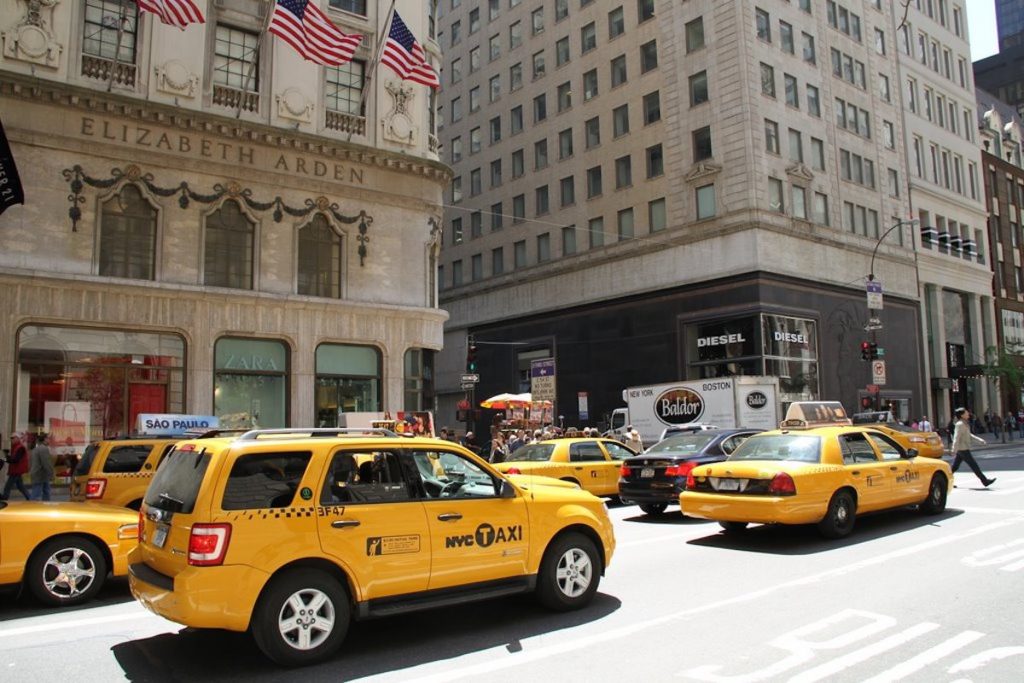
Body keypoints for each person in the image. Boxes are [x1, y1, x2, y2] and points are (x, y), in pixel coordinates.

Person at [950, 407, 996, 487]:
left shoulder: (964, 423)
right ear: (962, 415)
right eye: (966, 412)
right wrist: (954, 449)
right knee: (974, 465)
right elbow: (956, 437)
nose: (968, 413)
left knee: (954, 467)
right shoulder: (960, 424)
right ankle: (985, 481)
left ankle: (946, 481)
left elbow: (969, 435)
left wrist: (980, 440)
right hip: (963, 449)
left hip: (963, 448)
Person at [1, 433, 31, 500]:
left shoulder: (20, 448)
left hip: (16, 470)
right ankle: (30, 498)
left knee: (7, 486)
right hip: (16, 470)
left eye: (13, 438)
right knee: (20, 486)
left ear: (17, 438)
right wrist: (7, 456)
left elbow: (15, 460)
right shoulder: (16, 447)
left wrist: (5, 459)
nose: (11, 439)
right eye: (11, 438)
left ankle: (4, 498)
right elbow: (13, 459)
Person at [29, 433, 54, 501]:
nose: (49, 440)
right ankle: (31, 507)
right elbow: (46, 463)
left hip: (39, 473)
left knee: (46, 491)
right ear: (45, 439)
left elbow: (31, 462)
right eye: (48, 438)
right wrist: (51, 473)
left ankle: (45, 505)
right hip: (40, 474)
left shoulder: (36, 448)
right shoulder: (43, 449)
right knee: (36, 493)